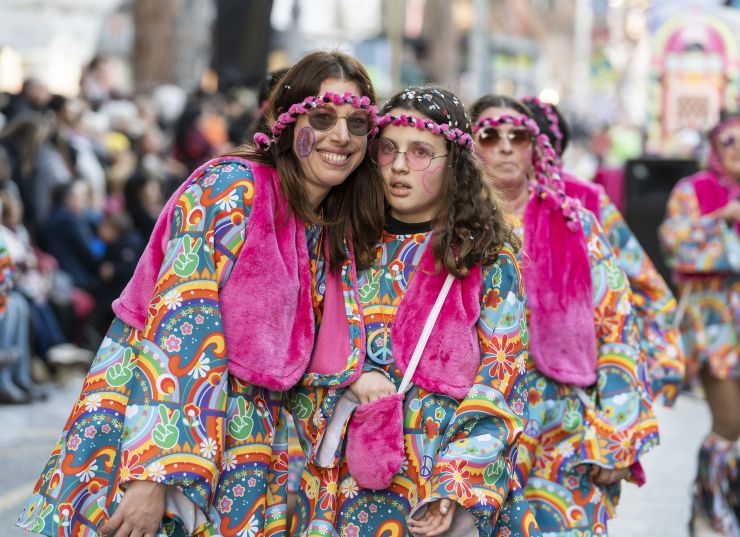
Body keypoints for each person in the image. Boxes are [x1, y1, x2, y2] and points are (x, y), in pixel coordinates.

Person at [17, 50, 384, 537]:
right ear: (287, 122)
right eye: (322, 117)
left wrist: (356, 382)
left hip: (245, 457)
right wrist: (152, 476)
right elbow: (178, 329)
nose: (341, 135)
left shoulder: (319, 225)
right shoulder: (232, 188)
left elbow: (295, 355)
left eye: (357, 123)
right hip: (158, 437)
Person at [290, 86, 539, 537]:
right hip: (338, 485)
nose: (400, 166)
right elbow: (295, 346)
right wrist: (350, 377)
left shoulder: (487, 257)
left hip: (435, 482)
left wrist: (454, 483)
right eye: (388, 149)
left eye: (421, 152)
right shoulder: (336, 241)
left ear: (455, 165)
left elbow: (502, 380)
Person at [470, 95, 659, 536]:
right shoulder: (446, 230)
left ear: (535, 148)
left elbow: (618, 327)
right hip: (472, 427)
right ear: (467, 146)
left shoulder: (576, 223)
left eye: (517, 136)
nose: (503, 146)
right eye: (489, 135)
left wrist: (617, 433)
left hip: (565, 431)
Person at [522, 96, 685, 407]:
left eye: (520, 138)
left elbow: (647, 285)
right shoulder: (472, 205)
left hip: (572, 383)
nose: (507, 150)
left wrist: (661, 362)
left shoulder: (586, 200)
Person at [659, 112, 740, 536]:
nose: (739, 150)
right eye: (729, 142)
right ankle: (714, 511)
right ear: (713, 148)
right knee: (729, 423)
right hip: (713, 327)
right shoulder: (693, 192)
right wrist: (720, 219)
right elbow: (676, 247)